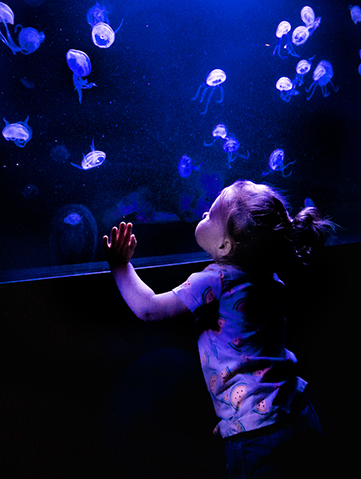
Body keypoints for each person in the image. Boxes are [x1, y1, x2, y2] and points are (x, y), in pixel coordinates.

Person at [104, 180, 334, 478]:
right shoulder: (270, 281)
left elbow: (148, 309)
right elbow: (258, 355)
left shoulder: (213, 281)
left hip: (260, 438)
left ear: (225, 246)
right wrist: (237, 415)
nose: (203, 215)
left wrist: (120, 266)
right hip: (298, 413)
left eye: (211, 215)